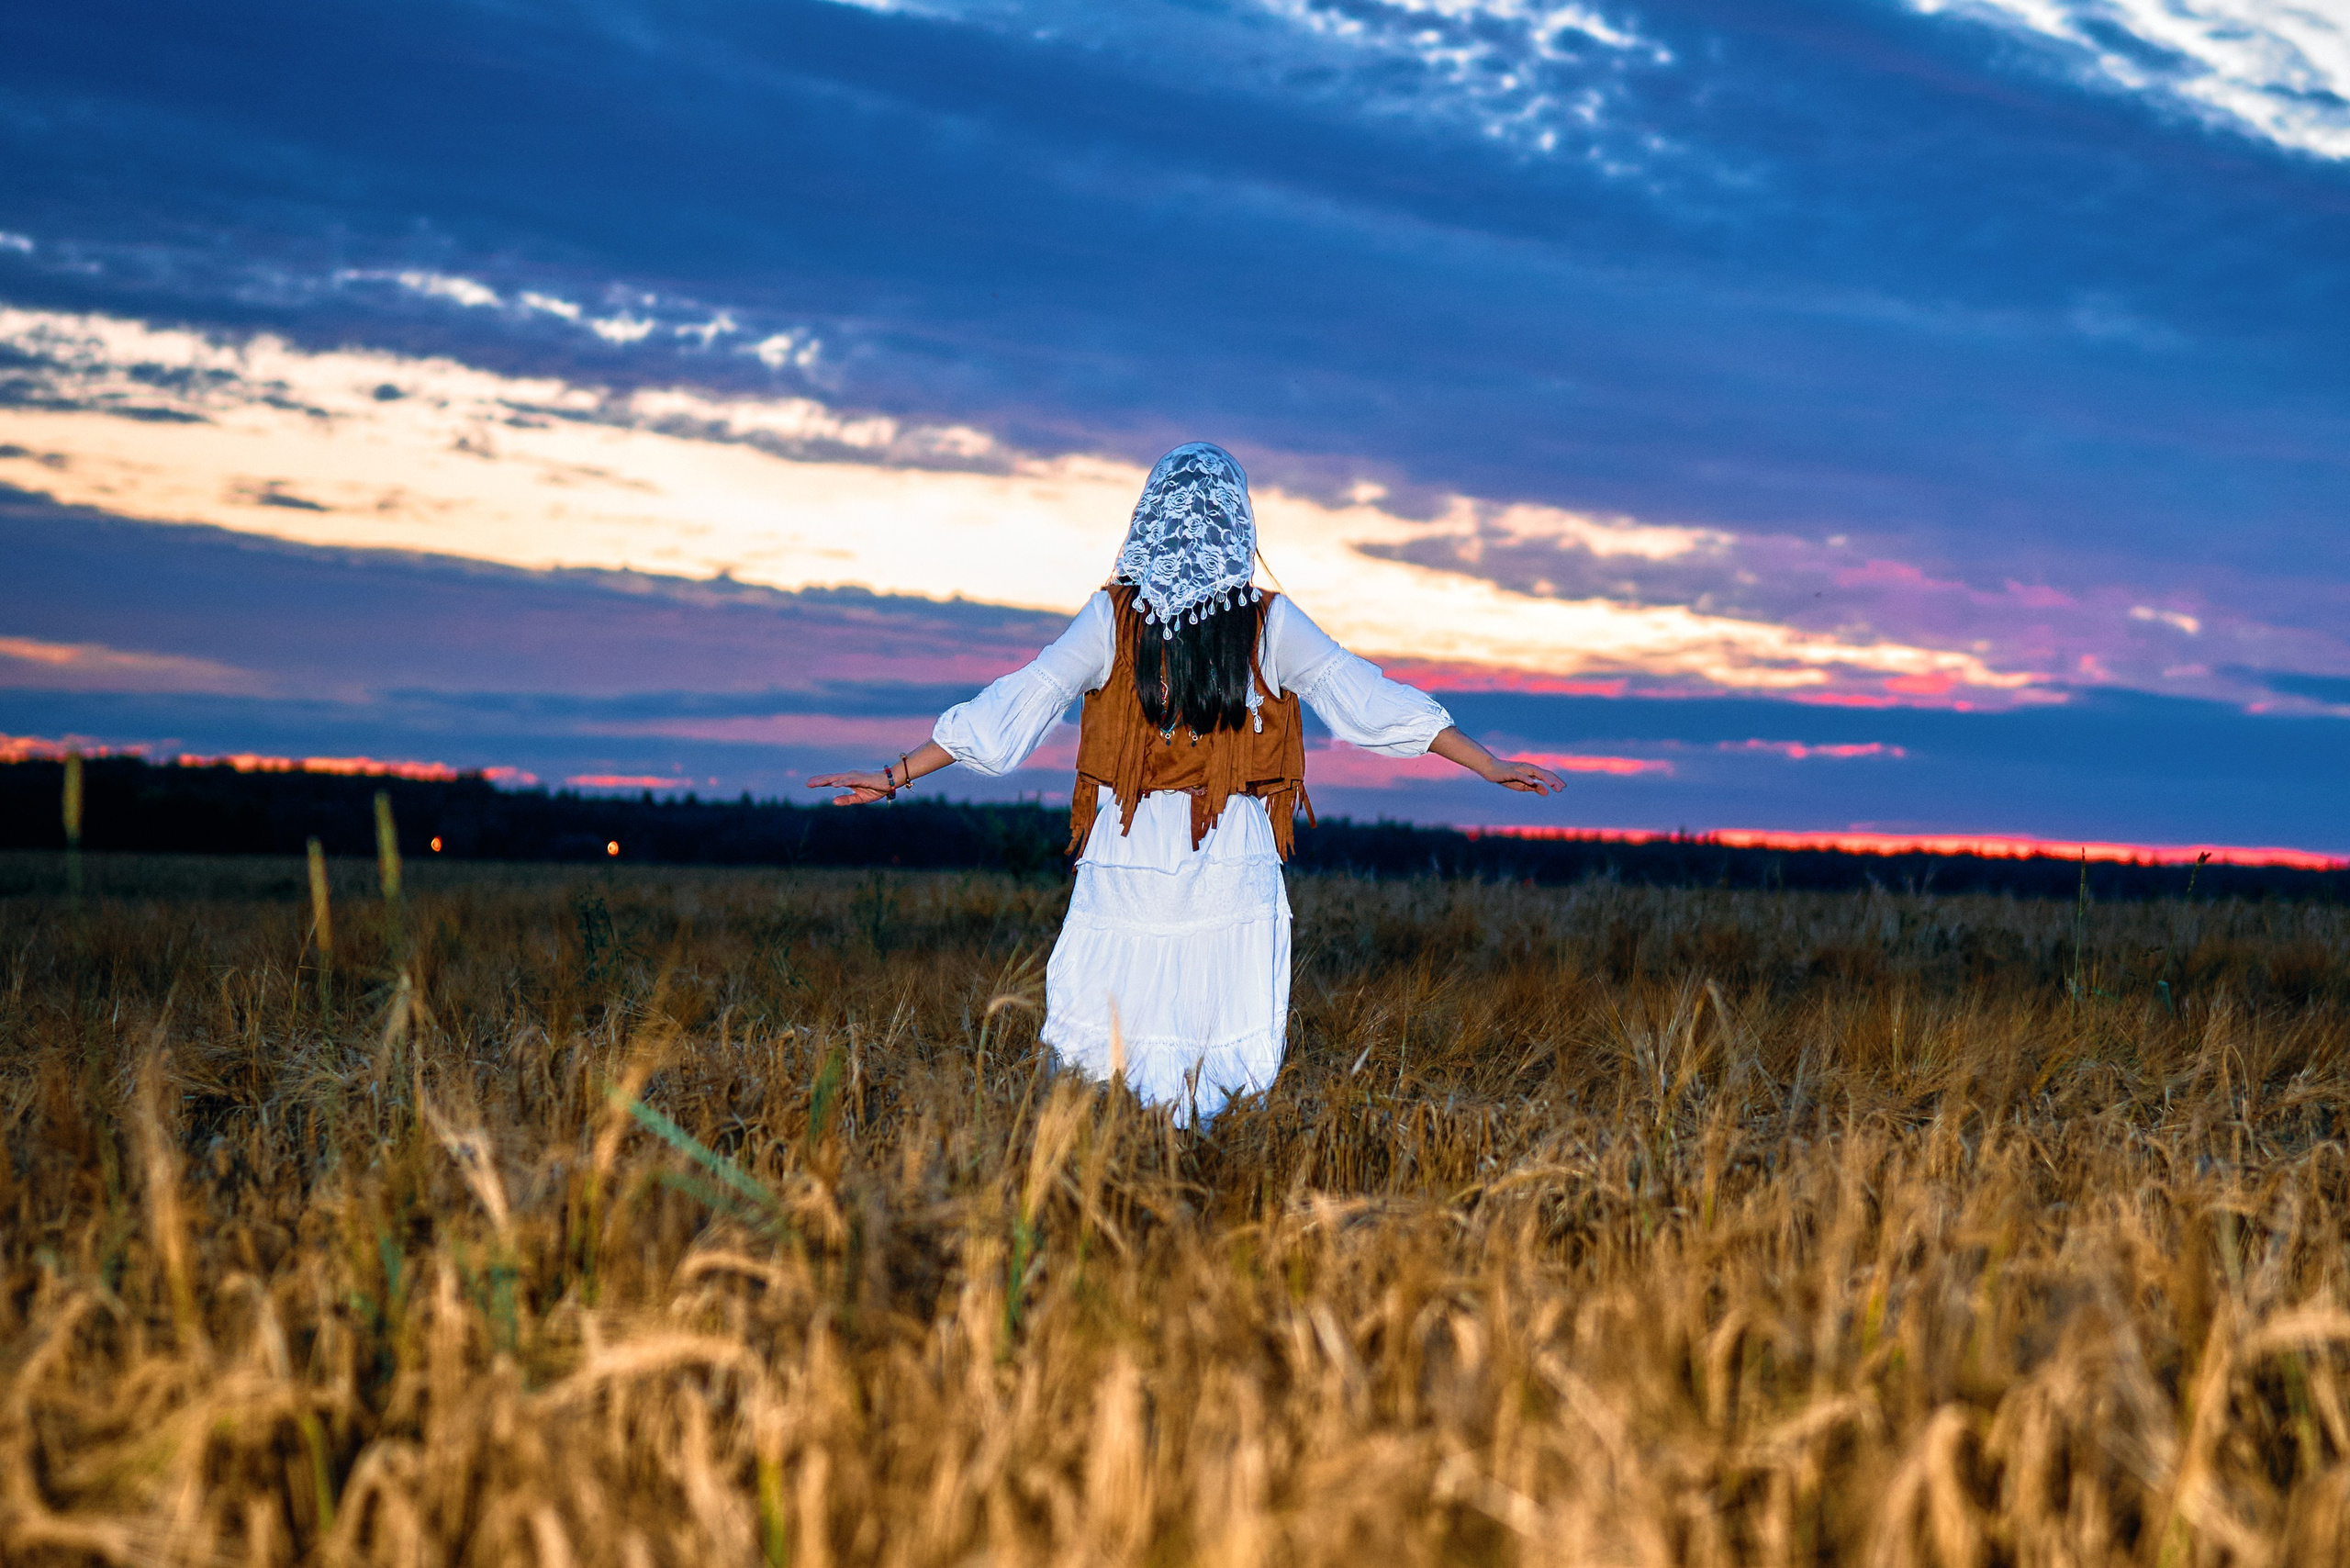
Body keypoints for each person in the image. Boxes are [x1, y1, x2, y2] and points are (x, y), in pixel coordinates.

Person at [810, 442, 1564, 1122]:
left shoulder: (1114, 618)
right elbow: (1367, 699)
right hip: (1226, 854)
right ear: (1237, 523)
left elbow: (1017, 702)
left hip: (1131, 848)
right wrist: (1485, 761)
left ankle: (1117, 1158)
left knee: (1111, 1018)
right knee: (1212, 1025)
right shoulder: (1265, 623)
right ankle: (1196, 1162)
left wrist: (895, 774)